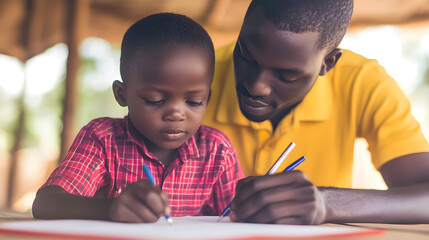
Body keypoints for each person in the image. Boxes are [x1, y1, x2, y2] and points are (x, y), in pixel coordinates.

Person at [203, 0, 429, 224]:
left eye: (286, 75)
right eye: (245, 55)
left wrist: (328, 203)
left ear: (328, 63)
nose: (255, 86)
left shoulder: (362, 82)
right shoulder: (195, 79)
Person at [32, 13, 244, 223]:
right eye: (155, 100)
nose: (177, 114)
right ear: (122, 95)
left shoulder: (218, 151)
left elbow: (238, 216)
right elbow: (46, 204)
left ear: (207, 98)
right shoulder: (103, 139)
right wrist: (110, 208)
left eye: (194, 101)